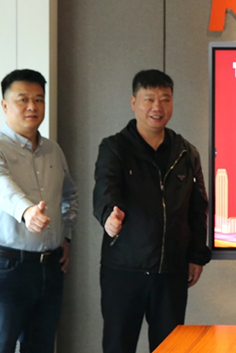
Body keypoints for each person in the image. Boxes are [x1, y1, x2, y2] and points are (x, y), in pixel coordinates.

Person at [93, 70, 211, 352]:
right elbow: (105, 188)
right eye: (149, 99)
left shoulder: (186, 152)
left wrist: (196, 256)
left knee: (169, 347)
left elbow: (198, 207)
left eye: (165, 99)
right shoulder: (115, 147)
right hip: (124, 270)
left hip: (171, 270)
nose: (157, 107)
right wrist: (109, 216)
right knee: (118, 345)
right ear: (134, 102)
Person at [0, 69, 79, 353]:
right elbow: (0, 186)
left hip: (49, 267)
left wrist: (66, 236)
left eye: (39, 99)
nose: (32, 106)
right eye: (23, 99)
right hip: (5, 268)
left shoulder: (53, 150)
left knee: (41, 347)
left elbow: (69, 195)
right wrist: (26, 211)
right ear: (5, 105)